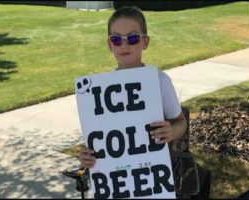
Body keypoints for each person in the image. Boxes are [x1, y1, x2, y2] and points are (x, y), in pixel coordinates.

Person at [79, 6, 187, 168]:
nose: (124, 45)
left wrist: (172, 132)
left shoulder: (160, 81)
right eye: (116, 39)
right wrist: (88, 156)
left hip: (152, 172)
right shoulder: (100, 90)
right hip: (118, 176)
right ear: (110, 44)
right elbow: (99, 139)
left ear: (145, 42)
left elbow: (180, 123)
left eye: (133, 38)